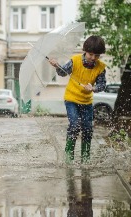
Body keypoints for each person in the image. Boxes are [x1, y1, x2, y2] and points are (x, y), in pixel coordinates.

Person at [49, 35, 107, 164]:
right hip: (71, 99)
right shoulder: (75, 61)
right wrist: (56, 65)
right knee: (75, 126)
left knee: (87, 128)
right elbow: (62, 73)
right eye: (91, 54)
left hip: (87, 101)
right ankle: (69, 159)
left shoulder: (101, 67)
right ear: (85, 51)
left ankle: (85, 159)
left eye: (97, 55)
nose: (93, 58)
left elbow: (102, 85)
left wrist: (94, 88)